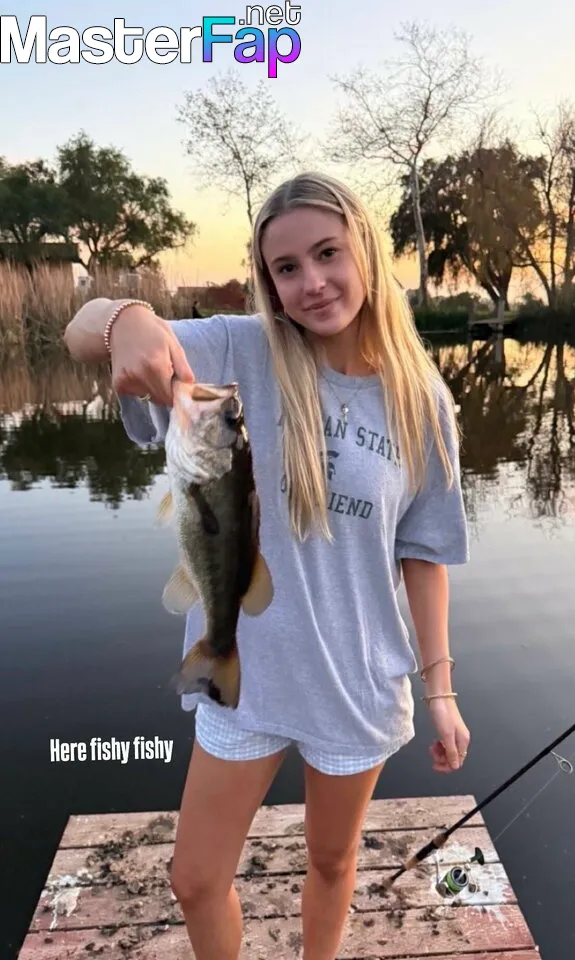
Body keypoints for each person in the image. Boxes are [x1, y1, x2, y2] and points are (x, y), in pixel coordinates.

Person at [63, 171, 471, 960]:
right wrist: (123, 318)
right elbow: (81, 332)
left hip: (355, 677)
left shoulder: (423, 401)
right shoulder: (236, 351)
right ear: (267, 281)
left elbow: (423, 557)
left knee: (332, 861)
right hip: (246, 674)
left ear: (365, 251)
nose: (311, 281)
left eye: (327, 253)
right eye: (286, 267)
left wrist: (442, 692)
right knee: (194, 879)